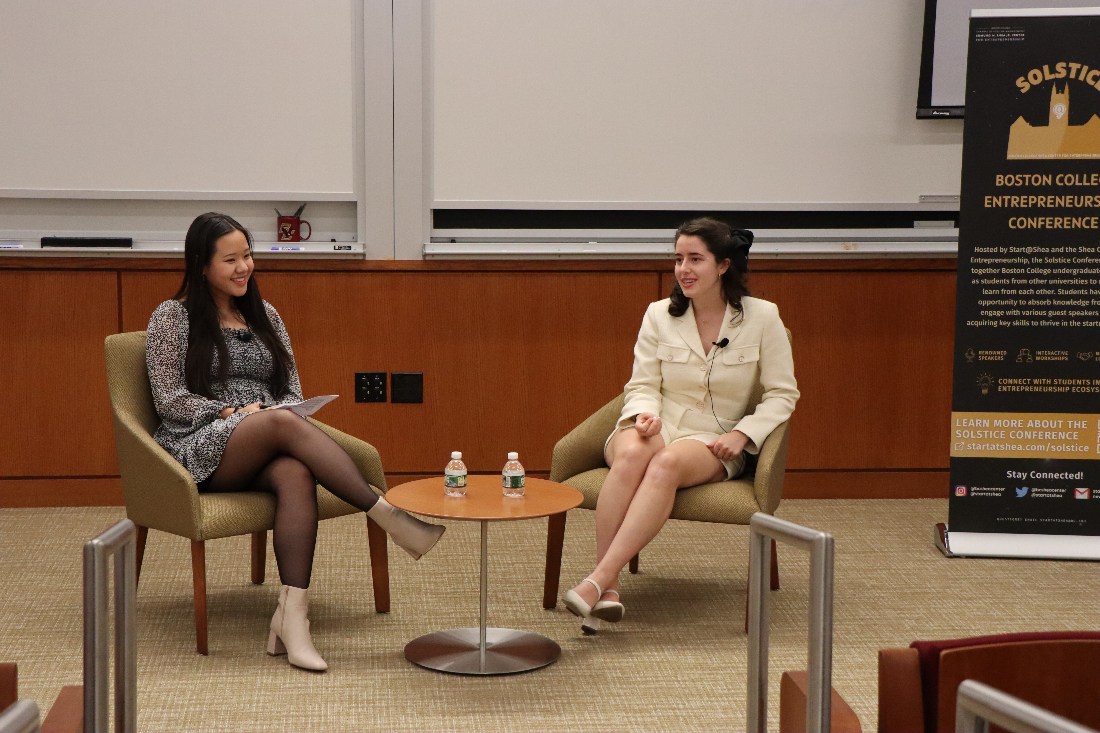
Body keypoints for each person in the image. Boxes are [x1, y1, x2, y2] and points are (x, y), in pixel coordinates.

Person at [146, 212, 445, 672]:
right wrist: (228, 412)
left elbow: (291, 390)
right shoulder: (173, 317)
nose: (244, 267)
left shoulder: (264, 315)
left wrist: (271, 411)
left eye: (247, 255)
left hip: (267, 433)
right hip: (200, 443)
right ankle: (390, 516)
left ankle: (293, 617)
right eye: (230, 260)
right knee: (281, 423)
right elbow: (169, 399)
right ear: (201, 266)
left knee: (296, 470)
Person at [562, 217, 798, 633]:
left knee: (667, 463)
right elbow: (641, 383)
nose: (683, 269)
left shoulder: (763, 317)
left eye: (695, 259)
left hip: (713, 435)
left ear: (723, 265)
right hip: (658, 422)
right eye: (677, 259)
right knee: (634, 450)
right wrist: (642, 415)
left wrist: (743, 434)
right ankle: (608, 586)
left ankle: (597, 579)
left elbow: (782, 394)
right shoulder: (659, 315)